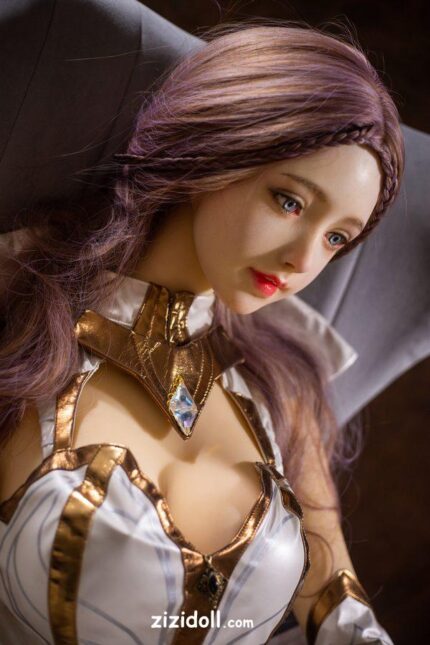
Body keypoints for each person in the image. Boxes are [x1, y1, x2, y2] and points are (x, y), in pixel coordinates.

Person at [0, 21, 403, 644]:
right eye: (290, 201)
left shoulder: (282, 389)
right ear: (213, 154)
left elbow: (335, 601)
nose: (303, 260)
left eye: (336, 238)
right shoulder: (25, 325)